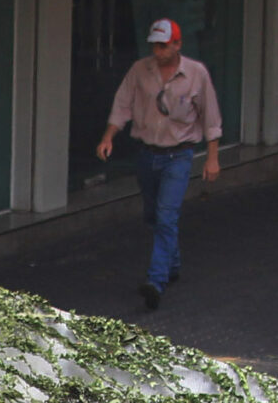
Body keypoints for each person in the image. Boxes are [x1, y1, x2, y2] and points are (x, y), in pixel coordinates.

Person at [96, 19, 224, 312]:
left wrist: (212, 157)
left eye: (164, 46)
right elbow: (122, 104)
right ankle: (172, 263)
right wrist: (108, 136)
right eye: (155, 45)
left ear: (178, 44)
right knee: (154, 215)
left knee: (167, 216)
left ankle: (156, 281)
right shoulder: (140, 70)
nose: (158, 51)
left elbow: (210, 117)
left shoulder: (196, 74)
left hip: (179, 155)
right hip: (147, 154)